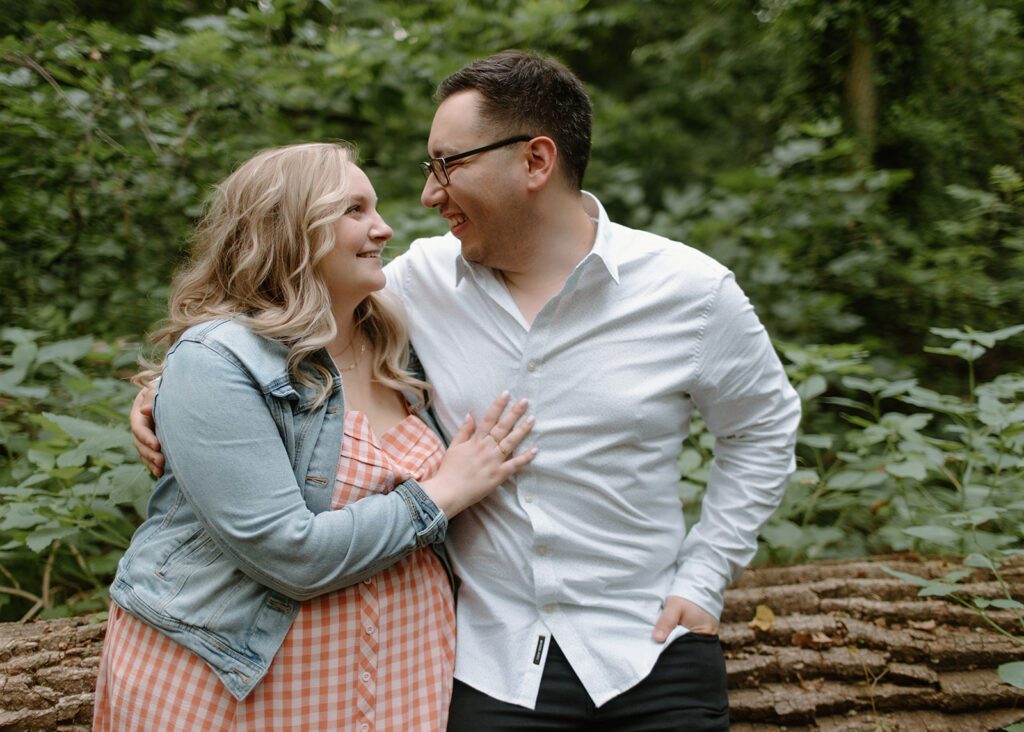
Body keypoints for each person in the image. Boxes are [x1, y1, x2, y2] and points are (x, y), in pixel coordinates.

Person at [134, 52, 802, 730]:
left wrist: (705, 576)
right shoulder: (416, 283)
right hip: (489, 666)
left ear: (536, 162)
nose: (429, 194)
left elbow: (764, 431)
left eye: (448, 164)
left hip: (652, 651)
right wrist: (168, 391)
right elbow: (283, 310)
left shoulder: (690, 292)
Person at [96, 142, 536, 732]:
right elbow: (289, 554)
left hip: (404, 672)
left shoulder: (397, 342)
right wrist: (445, 492)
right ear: (288, 229)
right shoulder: (220, 360)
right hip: (242, 682)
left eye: (375, 208)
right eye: (354, 210)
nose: (383, 227)